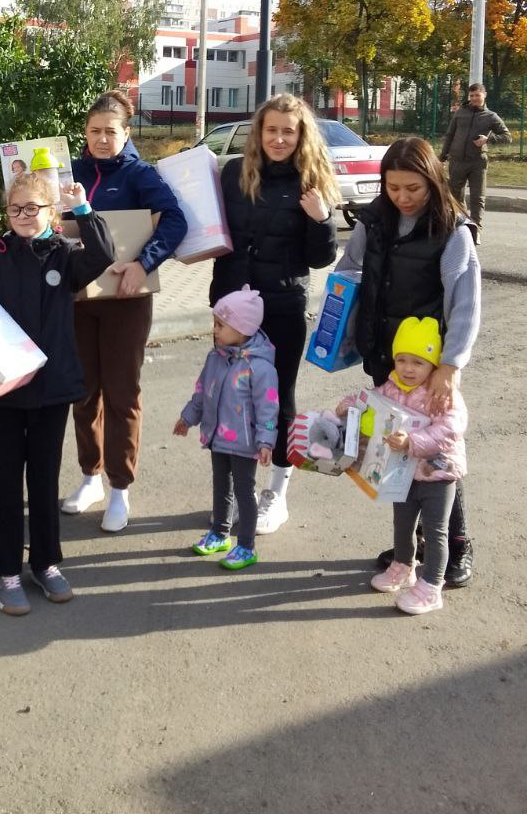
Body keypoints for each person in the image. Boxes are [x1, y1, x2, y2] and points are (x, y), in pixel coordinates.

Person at [0, 172, 114, 617]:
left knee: (43, 479)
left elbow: (104, 254)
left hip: (50, 387)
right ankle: (5, 571)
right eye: (15, 209)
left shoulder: (65, 254)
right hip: (2, 391)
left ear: (51, 213)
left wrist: (83, 209)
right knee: (4, 481)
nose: (23, 217)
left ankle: (45, 563)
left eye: (33, 209)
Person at [337, 136, 480, 587]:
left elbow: (465, 303)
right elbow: (349, 268)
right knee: (398, 447)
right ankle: (412, 543)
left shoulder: (451, 230)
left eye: (412, 188)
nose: (402, 197)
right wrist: (340, 323)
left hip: (429, 367)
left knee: (437, 451)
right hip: (387, 357)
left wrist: (450, 366)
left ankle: (454, 544)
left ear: (433, 181)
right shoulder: (374, 220)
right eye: (393, 187)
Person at [210, 93, 339, 534]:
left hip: (281, 306)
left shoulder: (310, 182)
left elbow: (320, 260)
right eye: (271, 130)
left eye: (289, 131)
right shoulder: (232, 174)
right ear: (258, 132)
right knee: (230, 400)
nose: (279, 139)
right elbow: (205, 227)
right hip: (230, 307)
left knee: (277, 400)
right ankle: (232, 496)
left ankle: (276, 494)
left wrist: (322, 220)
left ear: (301, 135)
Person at [63, 90, 188, 532]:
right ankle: (90, 476)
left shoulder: (139, 174)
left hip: (126, 300)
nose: (101, 139)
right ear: (84, 132)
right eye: (94, 131)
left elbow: (175, 220)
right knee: (82, 391)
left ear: (126, 133)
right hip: (78, 298)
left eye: (110, 132)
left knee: (121, 393)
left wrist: (144, 262)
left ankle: (120, 488)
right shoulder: (70, 171)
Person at [337, 317, 467, 615]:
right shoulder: (391, 386)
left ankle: (432, 585)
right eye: (402, 360)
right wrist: (349, 405)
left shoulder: (443, 394)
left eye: (418, 362)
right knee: (403, 522)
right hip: (403, 474)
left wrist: (412, 441)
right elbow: (369, 400)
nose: (408, 369)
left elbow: (451, 429)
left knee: (435, 530)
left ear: (433, 364)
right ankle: (403, 566)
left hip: (439, 473)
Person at [172, 287, 278, 572]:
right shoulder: (215, 357)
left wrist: (266, 440)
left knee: (245, 491)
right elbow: (201, 393)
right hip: (217, 437)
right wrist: (188, 417)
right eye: (215, 323)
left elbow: (269, 408)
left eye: (221, 324)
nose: (214, 330)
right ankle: (220, 533)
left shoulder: (260, 367)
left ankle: (246, 546)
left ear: (242, 328)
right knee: (221, 485)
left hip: (245, 443)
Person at [440, 82, 511, 243]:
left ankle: (476, 229)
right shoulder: (460, 114)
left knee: (478, 197)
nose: (474, 98)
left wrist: (489, 139)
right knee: (455, 194)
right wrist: (442, 157)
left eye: (477, 95)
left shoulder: (491, 116)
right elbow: (450, 135)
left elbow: (507, 137)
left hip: (478, 162)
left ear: (484, 95)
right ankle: (462, 225)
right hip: (457, 160)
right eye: (471, 96)